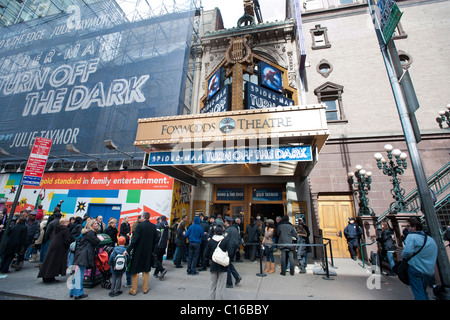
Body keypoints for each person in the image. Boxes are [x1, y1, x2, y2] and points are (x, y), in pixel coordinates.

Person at [401, 217, 438, 300]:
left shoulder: (411, 237)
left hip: (415, 269)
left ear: (414, 228)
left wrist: (403, 255)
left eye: (408, 226)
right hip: (428, 270)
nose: (406, 227)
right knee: (423, 292)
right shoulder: (429, 239)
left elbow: (407, 252)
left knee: (419, 293)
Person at [126, 211, 158, 295]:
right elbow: (156, 239)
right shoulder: (153, 226)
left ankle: (133, 289)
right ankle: (145, 288)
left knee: (135, 269)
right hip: (148, 251)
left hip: (138, 251)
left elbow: (135, 240)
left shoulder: (140, 226)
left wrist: (128, 250)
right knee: (146, 270)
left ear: (143, 217)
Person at [69, 219, 101, 299]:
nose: (97, 225)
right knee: (80, 274)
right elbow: (97, 241)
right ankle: (78, 293)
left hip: (81, 254)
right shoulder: (91, 233)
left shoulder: (87, 233)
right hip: (84, 255)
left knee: (78, 273)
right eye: (95, 223)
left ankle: (73, 291)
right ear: (91, 225)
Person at [38, 217, 73, 283]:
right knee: (55, 262)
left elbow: (51, 236)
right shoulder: (65, 230)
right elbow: (67, 240)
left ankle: (46, 275)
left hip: (53, 246)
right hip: (60, 247)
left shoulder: (56, 229)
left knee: (49, 260)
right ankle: (50, 276)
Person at [204, 225, 229, 300]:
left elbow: (205, 253)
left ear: (215, 232)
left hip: (214, 265)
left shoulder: (211, 241)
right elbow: (230, 251)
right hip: (223, 265)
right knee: (222, 287)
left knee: (212, 286)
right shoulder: (225, 240)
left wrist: (212, 258)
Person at [224, 216, 242, 288]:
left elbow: (225, 240)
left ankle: (229, 283)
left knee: (227, 266)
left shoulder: (227, 230)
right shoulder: (235, 229)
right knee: (229, 263)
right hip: (234, 249)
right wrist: (237, 247)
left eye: (225, 221)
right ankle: (237, 276)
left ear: (226, 222)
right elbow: (239, 238)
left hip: (229, 249)